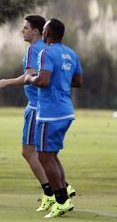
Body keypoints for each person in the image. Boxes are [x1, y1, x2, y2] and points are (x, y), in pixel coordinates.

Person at [24, 18, 82, 218]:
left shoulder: (46, 52)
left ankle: (61, 201)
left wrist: (29, 78)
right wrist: (62, 81)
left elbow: (42, 80)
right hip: (66, 111)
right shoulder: (71, 53)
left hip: (50, 113)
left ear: (46, 33)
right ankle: (64, 196)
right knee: (52, 156)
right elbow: (78, 81)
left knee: (44, 156)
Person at [0, 15, 55, 211]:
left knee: (28, 152)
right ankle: (60, 187)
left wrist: (7, 81)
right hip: (47, 106)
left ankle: (50, 192)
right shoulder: (47, 50)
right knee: (45, 153)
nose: (23, 31)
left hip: (36, 106)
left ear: (36, 31)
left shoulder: (33, 49)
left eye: (26, 28)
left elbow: (29, 76)